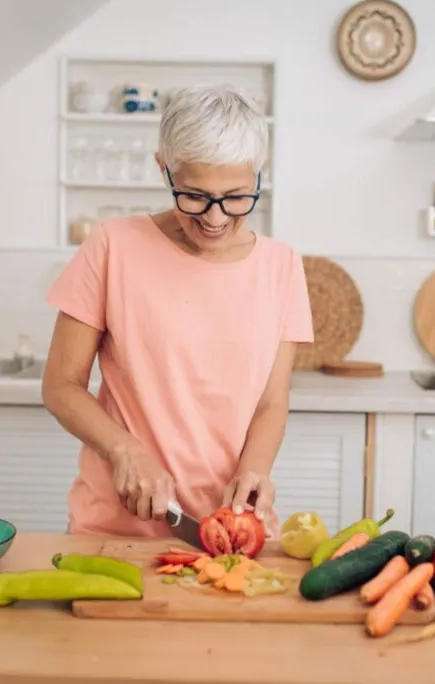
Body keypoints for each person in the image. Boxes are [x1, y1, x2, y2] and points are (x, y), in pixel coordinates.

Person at [41, 84, 313, 539]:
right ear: (164, 169)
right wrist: (124, 449)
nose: (215, 217)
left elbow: (271, 402)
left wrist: (255, 472)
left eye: (236, 196)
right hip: (116, 530)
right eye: (195, 195)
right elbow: (60, 386)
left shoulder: (281, 266)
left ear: (258, 176)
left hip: (231, 533)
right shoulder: (112, 246)